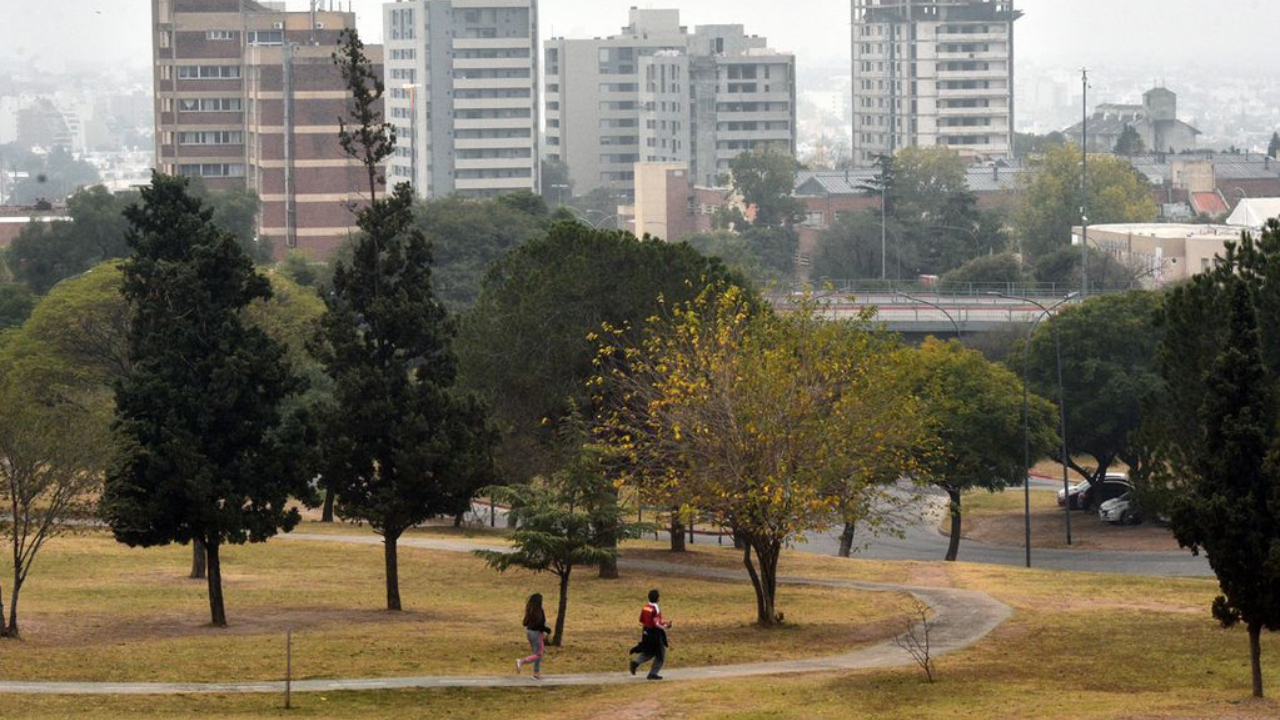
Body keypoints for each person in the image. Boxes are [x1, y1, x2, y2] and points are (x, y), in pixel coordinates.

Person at [628, 588, 672, 680]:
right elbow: (656, 623)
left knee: (649, 652)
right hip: (655, 634)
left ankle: (636, 662)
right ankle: (652, 673)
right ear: (657, 598)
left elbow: (642, 620)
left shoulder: (646, 607)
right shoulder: (656, 608)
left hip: (646, 632)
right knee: (660, 654)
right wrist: (665, 626)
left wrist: (663, 622)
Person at [515, 593, 551, 679]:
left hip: (529, 632)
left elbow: (525, 623)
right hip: (537, 634)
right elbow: (539, 625)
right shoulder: (539, 611)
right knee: (539, 654)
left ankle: (536, 673)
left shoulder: (530, 610)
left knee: (537, 653)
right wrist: (547, 630)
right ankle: (521, 661)